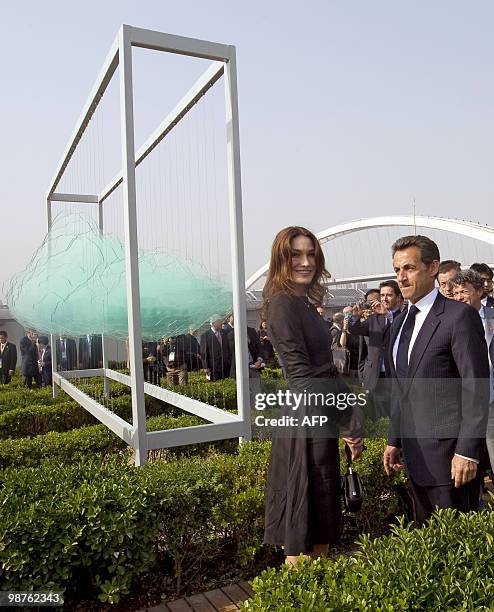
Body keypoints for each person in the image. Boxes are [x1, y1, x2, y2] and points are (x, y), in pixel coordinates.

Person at [262, 226, 364, 565]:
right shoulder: (282, 304)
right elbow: (303, 378)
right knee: (303, 522)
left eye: (311, 254)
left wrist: (347, 418)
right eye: (296, 255)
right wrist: (346, 420)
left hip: (317, 413)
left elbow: (325, 371)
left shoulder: (301, 302)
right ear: (281, 259)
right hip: (305, 418)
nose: (305, 262)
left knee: (320, 516)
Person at [384, 235, 490, 524]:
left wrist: (467, 451)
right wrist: (394, 440)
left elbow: (476, 387)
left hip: (451, 462)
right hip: (414, 459)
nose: (401, 278)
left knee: (457, 554)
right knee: (427, 549)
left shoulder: (458, 317)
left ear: (433, 268)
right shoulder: (399, 323)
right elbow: (400, 389)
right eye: (396, 270)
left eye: (409, 268)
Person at [450, 269, 494, 484]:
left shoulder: (491, 316)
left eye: (464, 291)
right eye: (455, 293)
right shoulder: (452, 321)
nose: (459, 297)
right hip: (467, 403)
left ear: (479, 291)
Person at [349, 280, 403, 417]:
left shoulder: (405, 316)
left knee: (396, 414)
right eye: (383, 295)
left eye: (389, 295)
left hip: (396, 376)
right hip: (375, 376)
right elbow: (355, 330)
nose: (385, 298)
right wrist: (355, 316)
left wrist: (388, 316)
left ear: (398, 297)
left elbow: (402, 332)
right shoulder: (374, 318)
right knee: (376, 416)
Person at [200, 317, 231, 381]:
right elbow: (203, 353)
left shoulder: (224, 333)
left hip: (226, 366)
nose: (221, 324)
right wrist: (205, 367)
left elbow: (228, 348)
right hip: (214, 367)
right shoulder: (205, 336)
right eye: (219, 322)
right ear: (213, 324)